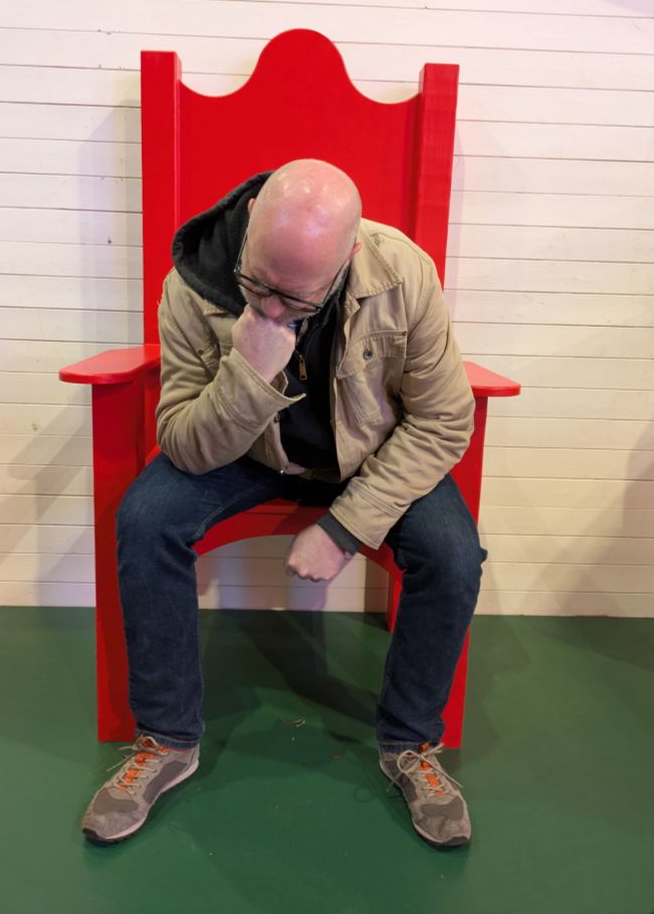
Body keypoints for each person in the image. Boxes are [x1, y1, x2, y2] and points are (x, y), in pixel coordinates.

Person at [81, 159, 485, 849]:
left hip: (368, 458)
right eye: (256, 285)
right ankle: (167, 738)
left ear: (348, 256)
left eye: (294, 300)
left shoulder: (404, 274)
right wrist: (249, 370)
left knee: (452, 554)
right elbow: (181, 441)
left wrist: (344, 525)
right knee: (146, 519)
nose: (269, 309)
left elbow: (443, 420)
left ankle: (410, 743)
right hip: (245, 452)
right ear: (246, 237)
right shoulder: (191, 282)